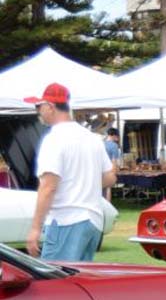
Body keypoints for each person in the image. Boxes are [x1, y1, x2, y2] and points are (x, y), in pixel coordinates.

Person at [23, 82, 115, 261]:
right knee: (78, 277)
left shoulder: (54, 139)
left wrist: (35, 229)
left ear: (50, 107)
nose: (38, 111)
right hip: (93, 221)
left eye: (39, 106)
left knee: (55, 277)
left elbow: (48, 187)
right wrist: (84, 181)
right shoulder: (92, 138)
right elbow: (110, 177)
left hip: (66, 219)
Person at [103, 128, 121, 200]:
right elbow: (114, 160)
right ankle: (108, 204)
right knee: (108, 188)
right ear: (113, 135)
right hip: (109, 169)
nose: (117, 138)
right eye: (117, 136)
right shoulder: (114, 145)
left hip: (100, 168)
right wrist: (115, 172)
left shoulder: (101, 143)